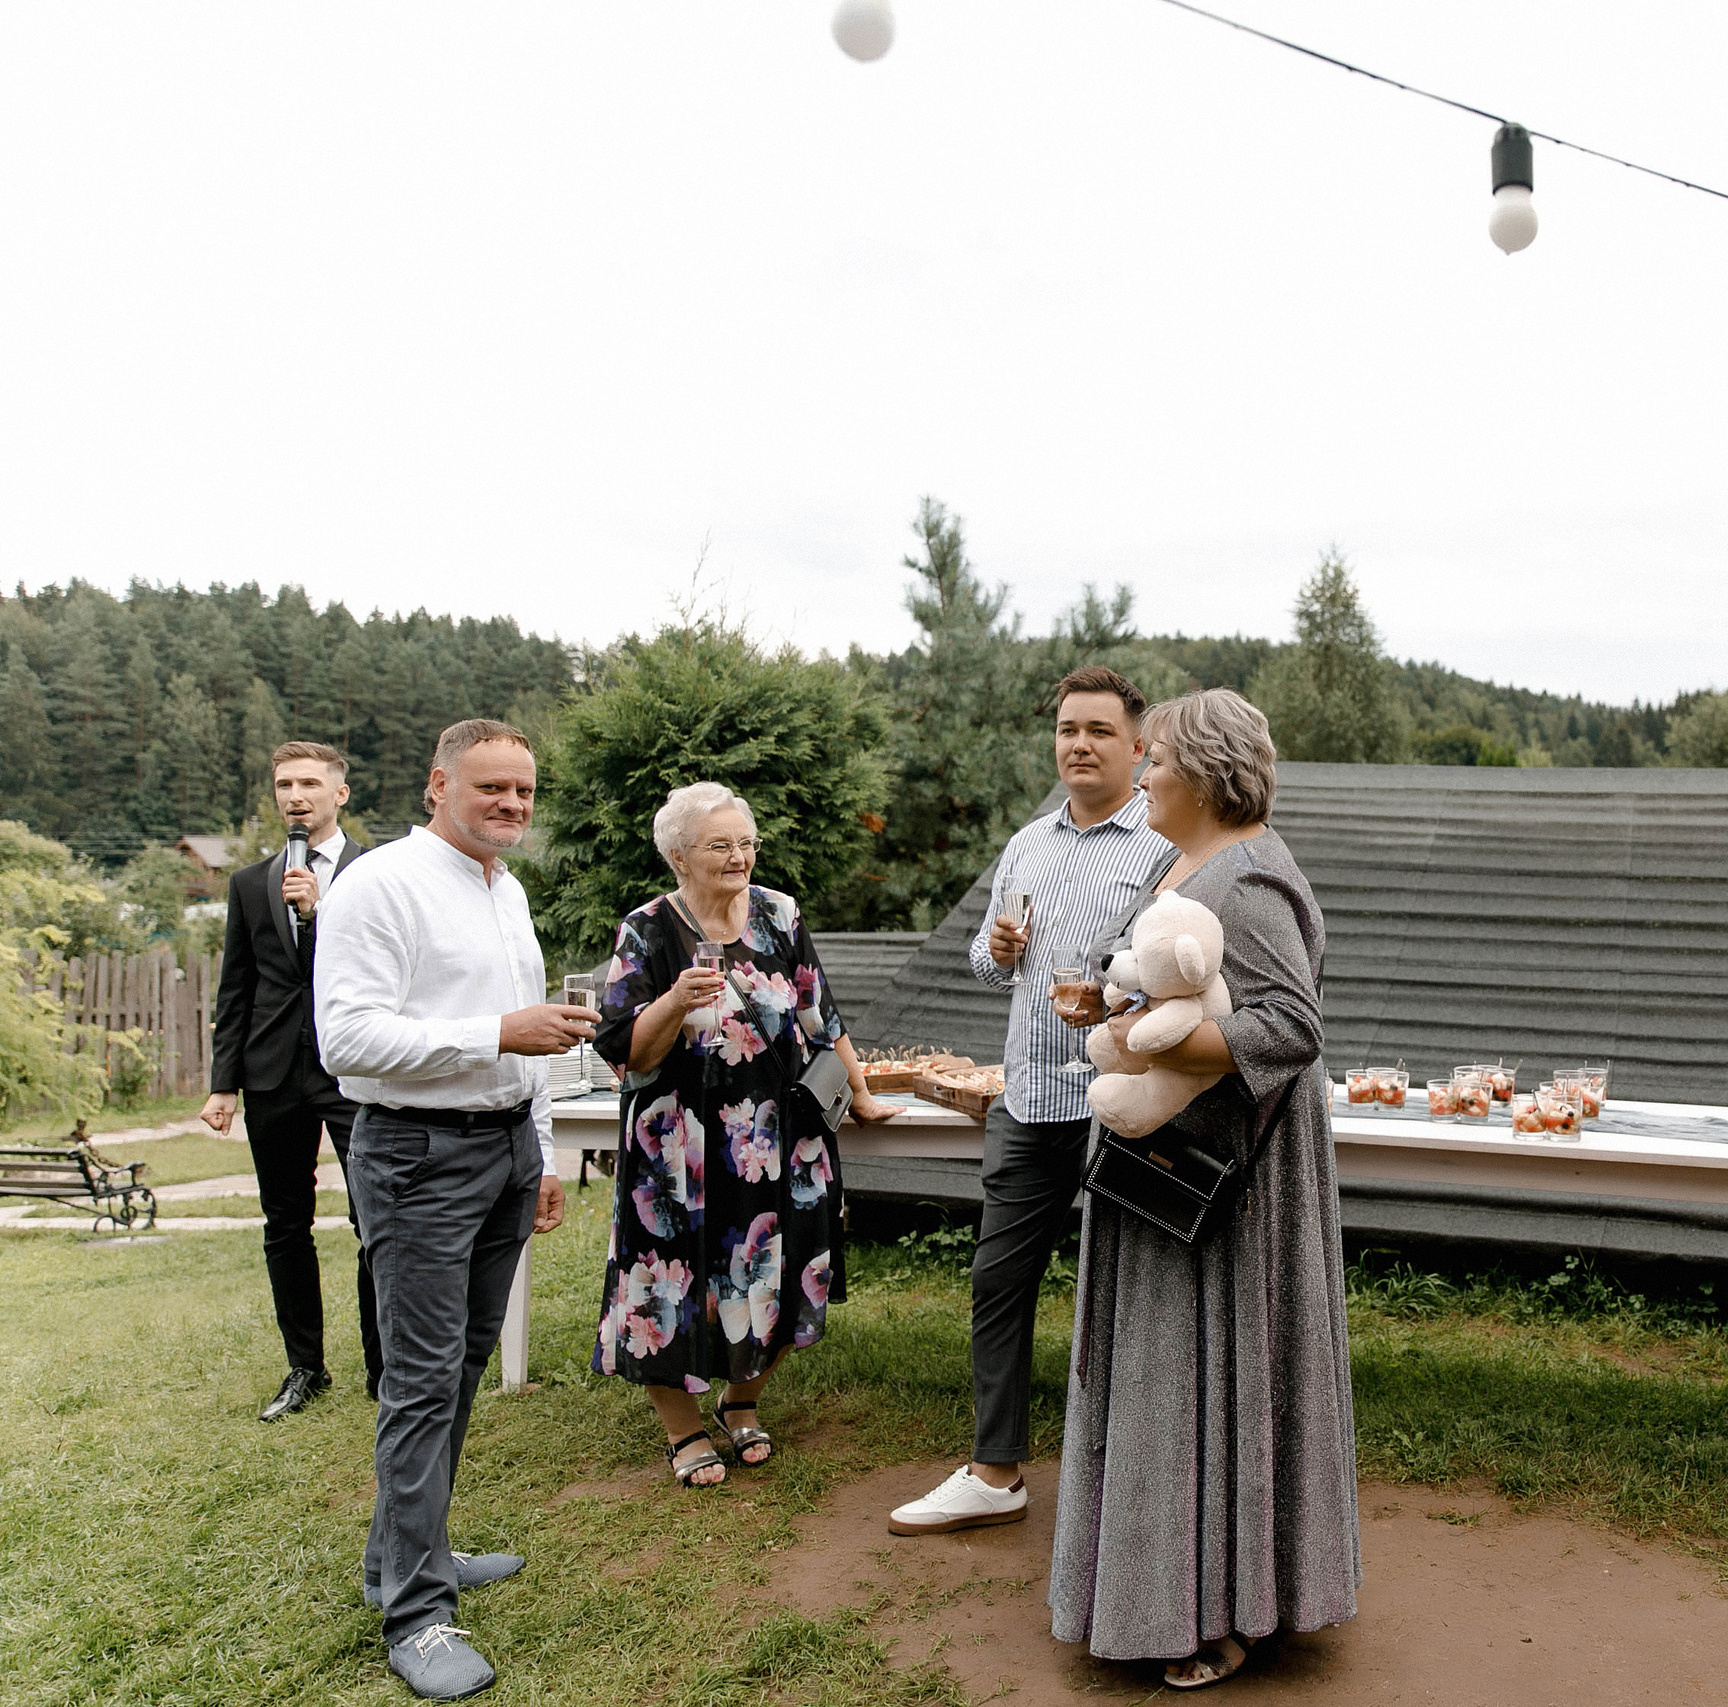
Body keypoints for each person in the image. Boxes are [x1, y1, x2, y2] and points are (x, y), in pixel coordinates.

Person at [1046, 688, 1358, 1691]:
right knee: (1158, 1379)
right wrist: (1117, 1001)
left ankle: (1221, 1609)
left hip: (1231, 1185)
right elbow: (1182, 986)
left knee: (1201, 1382)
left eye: (1158, 760)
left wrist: (1146, 1037)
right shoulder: (1181, 863)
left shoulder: (1253, 874)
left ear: (1210, 771)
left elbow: (1288, 1029)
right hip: (1165, 1166)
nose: (1143, 776)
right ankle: (1156, 1590)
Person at [314, 719, 587, 1701]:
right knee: (422, 1381)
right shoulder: (379, 886)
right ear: (438, 785)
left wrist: (543, 1151)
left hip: (505, 1147)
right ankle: (418, 1615)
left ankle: (403, 1555)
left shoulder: (503, 888)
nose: (513, 806)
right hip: (416, 1156)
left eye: (523, 790)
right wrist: (494, 1033)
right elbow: (345, 1039)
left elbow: (535, 1036)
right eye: (492, 790)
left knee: (459, 1367)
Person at [887, 666, 1171, 1537]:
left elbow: (1181, 977)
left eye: (1096, 730)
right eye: (1065, 730)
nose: (1077, 744)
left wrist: (1114, 999)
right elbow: (983, 959)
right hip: (1029, 1094)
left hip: (1124, 1102)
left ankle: (1137, 1473)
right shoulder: (1028, 842)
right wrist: (1003, 948)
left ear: (1136, 747)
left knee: (1132, 1290)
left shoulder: (1164, 844)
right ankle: (996, 1470)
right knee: (999, 1278)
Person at [591, 782, 899, 1488]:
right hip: (678, 1146)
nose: (738, 856)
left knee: (790, 1265)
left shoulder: (779, 913)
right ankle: (682, 1429)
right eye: (719, 844)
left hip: (778, 1136)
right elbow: (627, 1049)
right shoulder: (648, 927)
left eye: (746, 842)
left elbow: (822, 1011)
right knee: (663, 1281)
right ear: (678, 855)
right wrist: (673, 999)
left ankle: (743, 1398)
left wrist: (861, 1092)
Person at [204, 741, 378, 1421]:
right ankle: (305, 1366)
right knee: (284, 1222)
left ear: (340, 791)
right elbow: (235, 988)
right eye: (284, 783)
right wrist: (224, 1082)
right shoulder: (251, 882)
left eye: (309, 781)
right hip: (273, 1069)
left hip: (355, 1069)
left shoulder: (379, 872)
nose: (295, 795)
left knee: (374, 1218)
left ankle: (385, 1366)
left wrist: (322, 907)